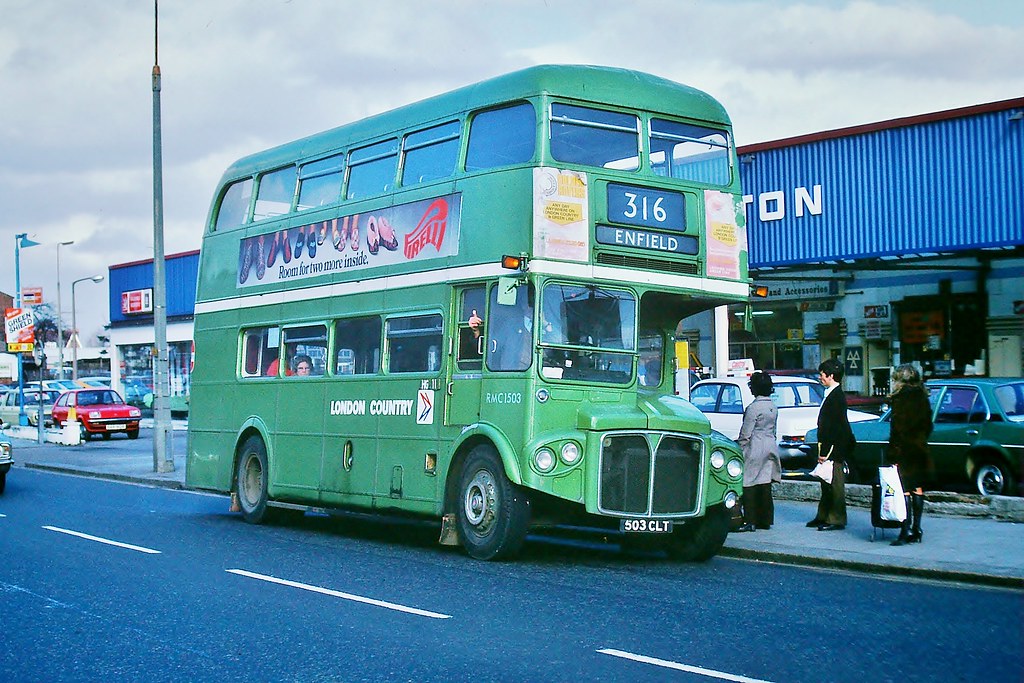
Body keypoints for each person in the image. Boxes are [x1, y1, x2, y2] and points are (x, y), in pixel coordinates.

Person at [887, 363, 933, 546]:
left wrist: (893, 451)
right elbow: (929, 424)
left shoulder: (900, 399)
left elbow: (897, 428)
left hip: (904, 449)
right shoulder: (923, 396)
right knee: (918, 488)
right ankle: (917, 528)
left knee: (904, 489)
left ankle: (904, 530)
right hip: (920, 447)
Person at [808, 358, 856, 531]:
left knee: (835, 485)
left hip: (834, 448)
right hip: (829, 446)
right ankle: (823, 516)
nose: (820, 378)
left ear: (831, 376)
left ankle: (836, 519)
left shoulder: (837, 397)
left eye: (822, 375)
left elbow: (835, 427)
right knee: (825, 483)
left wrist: (826, 452)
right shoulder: (831, 393)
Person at [735, 371, 781, 532]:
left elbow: (746, 433)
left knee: (749, 483)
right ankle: (765, 519)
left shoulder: (753, 408)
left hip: (755, 445)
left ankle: (750, 520)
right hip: (770, 444)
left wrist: (740, 449)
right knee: (764, 482)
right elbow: (774, 430)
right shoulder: (772, 407)